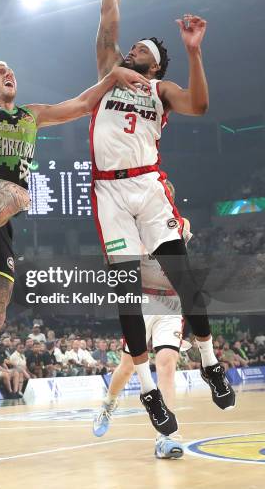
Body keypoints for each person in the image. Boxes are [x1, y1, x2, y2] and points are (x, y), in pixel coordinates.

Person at [0, 0, 141, 445]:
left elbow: (84, 103)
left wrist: (114, 76)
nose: (8, 73)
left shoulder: (32, 115)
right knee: (21, 194)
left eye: (10, 70)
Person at [92, 0, 235, 435]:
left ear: (154, 65)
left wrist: (195, 53)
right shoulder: (109, 69)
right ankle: (149, 395)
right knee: (125, 295)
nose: (131, 51)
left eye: (142, 52)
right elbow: (108, 13)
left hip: (149, 184)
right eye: (132, 49)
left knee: (185, 279)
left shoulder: (160, 91)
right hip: (109, 188)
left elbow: (200, 104)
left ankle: (211, 361)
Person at [93, 182, 189, 458]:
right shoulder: (126, 229)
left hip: (171, 302)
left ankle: (167, 435)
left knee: (167, 364)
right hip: (142, 301)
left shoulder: (181, 225)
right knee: (127, 368)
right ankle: (109, 403)